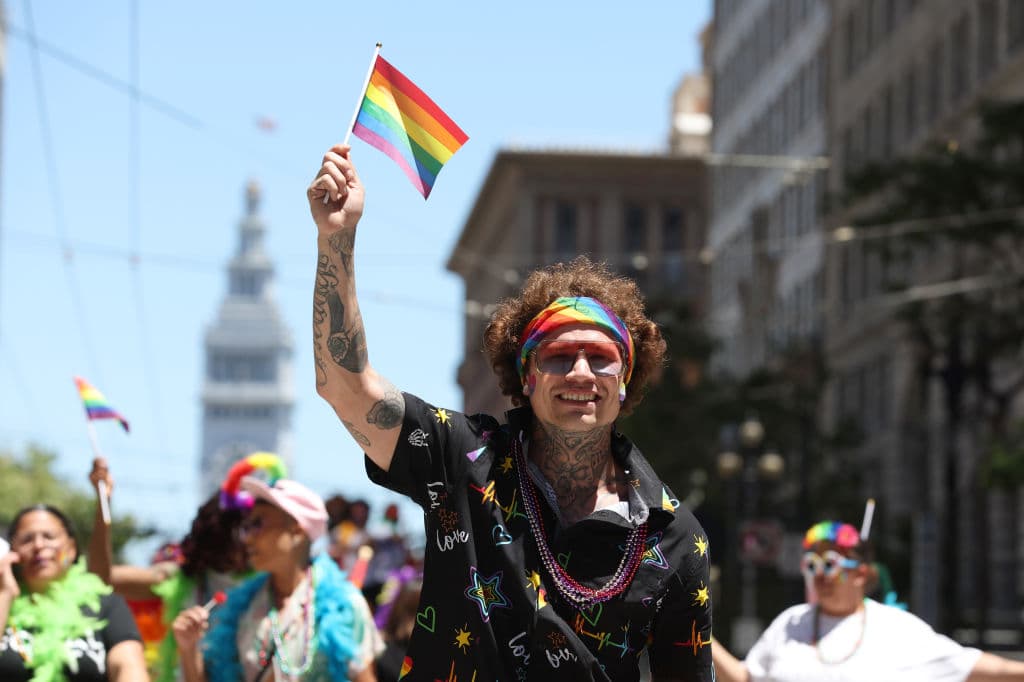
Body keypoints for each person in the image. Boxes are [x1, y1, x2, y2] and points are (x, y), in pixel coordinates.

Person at [307, 144, 714, 681]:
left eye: (601, 358)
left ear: (625, 381)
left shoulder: (674, 534)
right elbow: (345, 386)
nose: (581, 373)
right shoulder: (462, 458)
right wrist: (336, 238)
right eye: (558, 357)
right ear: (526, 377)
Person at [711, 520, 1024, 682]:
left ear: (860, 574)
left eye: (830, 564)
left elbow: (971, 668)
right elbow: (745, 678)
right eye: (812, 565)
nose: (819, 575)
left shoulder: (896, 629)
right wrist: (696, 629)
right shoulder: (790, 623)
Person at [172, 475, 383, 681]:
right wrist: (189, 648)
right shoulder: (240, 607)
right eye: (246, 527)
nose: (247, 538)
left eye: (258, 524)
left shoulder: (344, 605)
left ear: (297, 529)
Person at [87, 458, 249, 682]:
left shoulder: (270, 584)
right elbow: (99, 580)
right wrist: (103, 505)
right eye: (246, 527)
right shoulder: (182, 579)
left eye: (260, 524)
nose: (253, 536)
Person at [0, 503, 149, 680]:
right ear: (12, 551)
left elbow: (128, 667)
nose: (38, 545)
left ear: (71, 549)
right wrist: (5, 594)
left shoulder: (107, 605)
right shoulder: (4, 602)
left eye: (49, 536)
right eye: (26, 539)